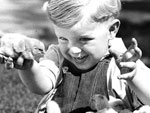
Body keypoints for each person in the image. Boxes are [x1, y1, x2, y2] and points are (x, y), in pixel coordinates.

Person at [0, 0, 150, 113]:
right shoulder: (57, 54)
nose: (73, 50)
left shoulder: (123, 60)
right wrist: (28, 67)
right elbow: (42, 85)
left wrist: (133, 75)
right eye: (63, 39)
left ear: (112, 30)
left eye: (84, 39)